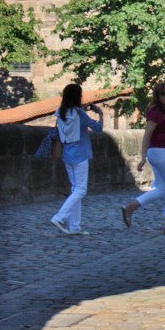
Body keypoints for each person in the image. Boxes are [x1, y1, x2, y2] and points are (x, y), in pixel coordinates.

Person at [121, 81, 165, 236]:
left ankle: (130, 207)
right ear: (157, 96)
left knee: (162, 189)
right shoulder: (155, 112)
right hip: (161, 152)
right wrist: (143, 156)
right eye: (163, 93)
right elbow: (147, 134)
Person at [50, 83, 103, 236]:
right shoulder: (79, 113)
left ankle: (75, 226)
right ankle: (59, 217)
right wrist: (100, 114)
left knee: (75, 190)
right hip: (80, 155)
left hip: (67, 154)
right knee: (81, 190)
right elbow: (98, 129)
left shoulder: (60, 112)